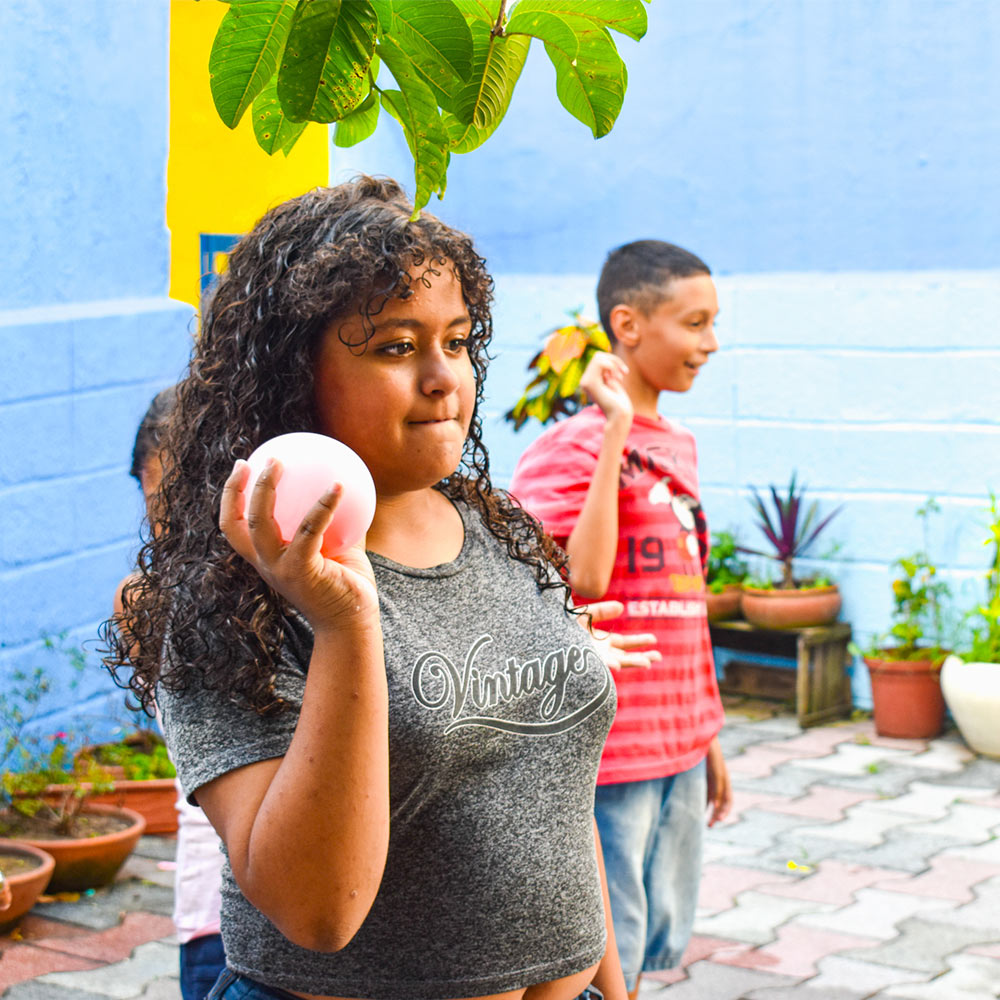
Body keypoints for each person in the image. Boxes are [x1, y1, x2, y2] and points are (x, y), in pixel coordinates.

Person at [104, 177, 658, 1000]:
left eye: (458, 340)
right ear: (296, 375)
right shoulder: (236, 595)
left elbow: (554, 802)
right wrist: (345, 624)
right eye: (397, 347)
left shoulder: (496, 528)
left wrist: (612, 991)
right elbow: (315, 911)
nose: (445, 379)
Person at [509, 239, 734, 999]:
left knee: (648, 944)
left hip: (676, 737)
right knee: (600, 958)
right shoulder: (565, 448)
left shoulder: (681, 444)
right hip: (610, 748)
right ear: (628, 326)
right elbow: (581, 579)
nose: (710, 343)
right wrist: (612, 435)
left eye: (713, 324)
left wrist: (706, 735)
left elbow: (685, 604)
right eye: (695, 323)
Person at [115, 386, 227, 1000]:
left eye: (198, 502)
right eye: (163, 505)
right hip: (214, 906)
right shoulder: (143, 604)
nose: (181, 527)